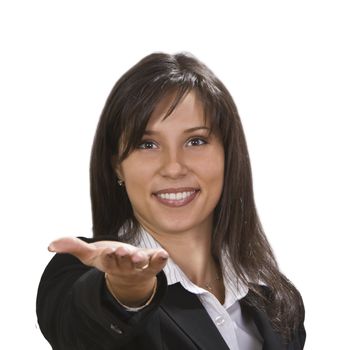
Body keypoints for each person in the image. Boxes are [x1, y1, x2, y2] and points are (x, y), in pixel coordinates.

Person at [36, 52, 306, 350]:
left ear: (228, 155)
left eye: (196, 141)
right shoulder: (80, 273)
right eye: (147, 144)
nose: (174, 167)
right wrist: (125, 292)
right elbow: (81, 330)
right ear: (117, 166)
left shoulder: (276, 299)